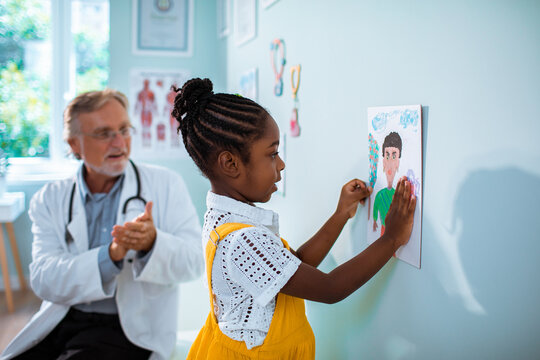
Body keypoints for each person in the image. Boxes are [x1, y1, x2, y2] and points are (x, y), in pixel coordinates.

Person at [170, 78, 417, 359]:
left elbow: (292, 268)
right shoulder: (243, 240)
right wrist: (392, 238)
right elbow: (330, 288)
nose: (282, 164)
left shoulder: (222, 218)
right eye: (272, 154)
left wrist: (340, 215)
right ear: (230, 164)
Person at [1, 89, 203, 360]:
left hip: (128, 327)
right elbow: (43, 279)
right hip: (63, 317)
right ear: (74, 144)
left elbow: (193, 263)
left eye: (124, 129)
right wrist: (109, 256)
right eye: (103, 133)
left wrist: (152, 244)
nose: (119, 142)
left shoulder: (166, 184)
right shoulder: (50, 198)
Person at [373, 131, 402, 235]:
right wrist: (374, 221)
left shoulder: (398, 195)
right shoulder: (379, 195)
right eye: (387, 155)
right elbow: (375, 207)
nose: (389, 161)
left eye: (394, 156)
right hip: (384, 232)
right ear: (383, 161)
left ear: (398, 162)